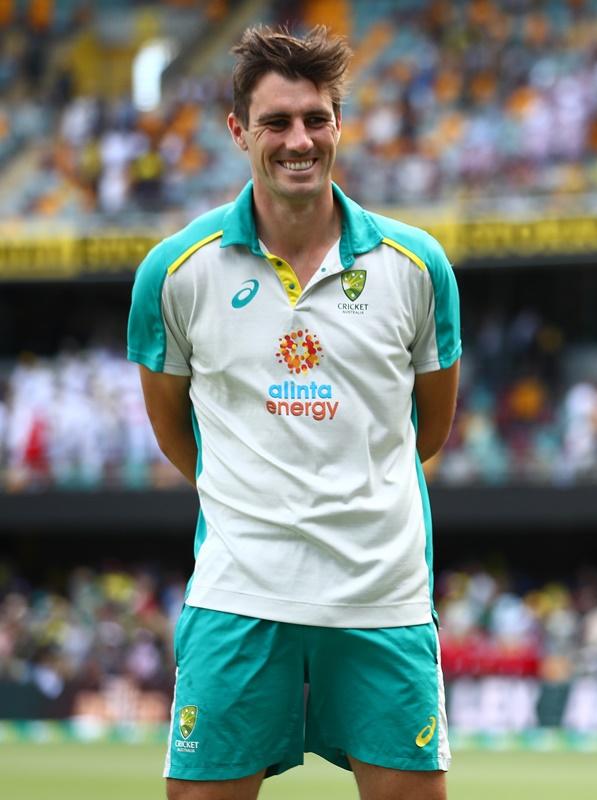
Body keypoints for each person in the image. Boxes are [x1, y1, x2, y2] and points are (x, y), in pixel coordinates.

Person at [127, 26, 460, 800]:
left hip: (384, 597)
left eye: (316, 118)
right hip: (239, 593)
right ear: (239, 130)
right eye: (276, 122)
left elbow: (430, 430)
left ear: (339, 125)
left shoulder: (416, 267)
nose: (299, 140)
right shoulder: (175, 271)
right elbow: (179, 435)